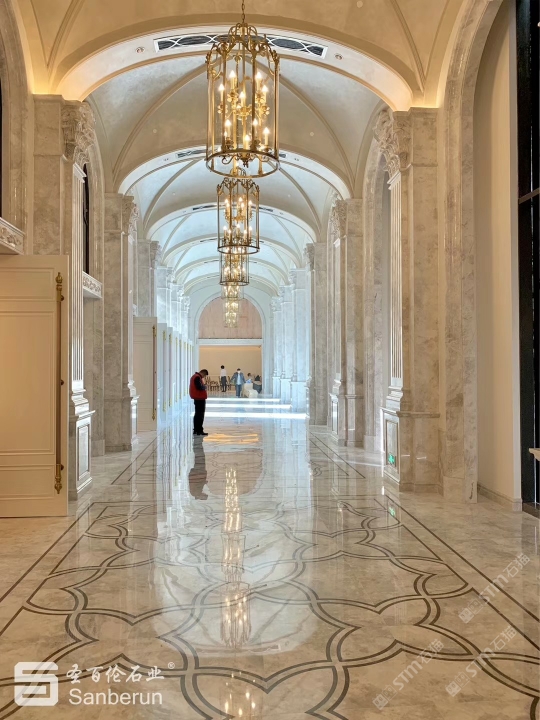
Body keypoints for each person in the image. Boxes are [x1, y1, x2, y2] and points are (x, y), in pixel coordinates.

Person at [189, 368, 209, 436]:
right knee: (200, 415)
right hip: (199, 398)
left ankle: (196, 430)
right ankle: (199, 430)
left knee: (197, 414)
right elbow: (199, 387)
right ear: (203, 373)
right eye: (204, 375)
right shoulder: (197, 377)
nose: (204, 377)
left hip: (197, 398)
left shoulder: (195, 377)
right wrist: (204, 387)